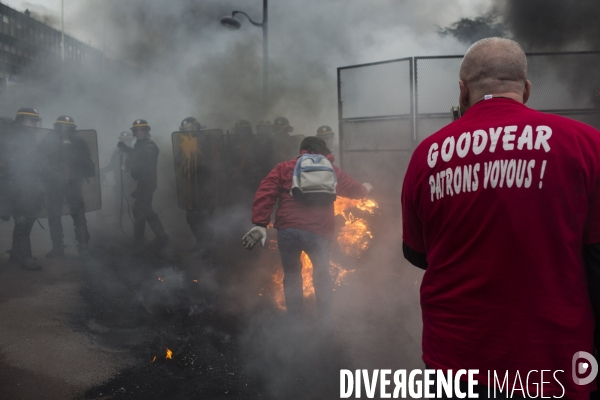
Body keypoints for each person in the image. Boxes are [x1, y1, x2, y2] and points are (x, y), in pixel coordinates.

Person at [401, 37, 600, 400]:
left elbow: (417, 254)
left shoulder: (426, 156)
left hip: (455, 361)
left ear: (462, 93)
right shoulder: (587, 145)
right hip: (554, 360)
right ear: (525, 89)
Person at [243, 136, 373, 327]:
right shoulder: (331, 169)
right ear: (324, 152)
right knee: (322, 276)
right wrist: (366, 189)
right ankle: (325, 322)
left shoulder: (284, 167)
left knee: (292, 274)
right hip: (319, 232)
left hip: (288, 230)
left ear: (301, 151)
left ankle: (295, 320)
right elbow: (356, 190)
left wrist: (260, 223)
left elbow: (265, 191)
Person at [44, 116, 94, 259]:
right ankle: (58, 248)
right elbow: (39, 158)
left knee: (79, 215)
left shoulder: (79, 142)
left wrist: (84, 172)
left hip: (73, 183)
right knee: (54, 216)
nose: (64, 130)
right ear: (57, 127)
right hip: (54, 184)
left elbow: (87, 161)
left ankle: (84, 248)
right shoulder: (48, 140)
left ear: (72, 129)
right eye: (62, 127)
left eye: (67, 128)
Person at [117, 119, 168, 250]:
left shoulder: (149, 146)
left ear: (147, 132)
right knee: (143, 210)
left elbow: (147, 167)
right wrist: (126, 149)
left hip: (147, 183)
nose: (139, 132)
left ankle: (144, 241)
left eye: (142, 130)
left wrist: (140, 185)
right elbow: (137, 155)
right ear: (134, 132)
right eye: (137, 130)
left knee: (142, 211)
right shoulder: (140, 145)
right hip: (143, 183)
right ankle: (155, 238)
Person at [6, 108, 44, 270]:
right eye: (32, 120)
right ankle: (26, 258)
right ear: (22, 120)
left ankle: (16, 254)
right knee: (23, 220)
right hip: (15, 186)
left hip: (27, 185)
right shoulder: (11, 136)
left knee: (25, 220)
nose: (35, 124)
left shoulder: (29, 137)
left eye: (36, 121)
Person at [177, 117, 215, 258]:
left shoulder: (205, 141)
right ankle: (201, 242)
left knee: (204, 216)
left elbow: (210, 162)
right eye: (185, 130)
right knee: (192, 216)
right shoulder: (185, 143)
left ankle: (208, 246)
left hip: (205, 185)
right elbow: (181, 161)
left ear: (197, 127)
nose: (188, 132)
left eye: (190, 129)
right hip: (192, 186)